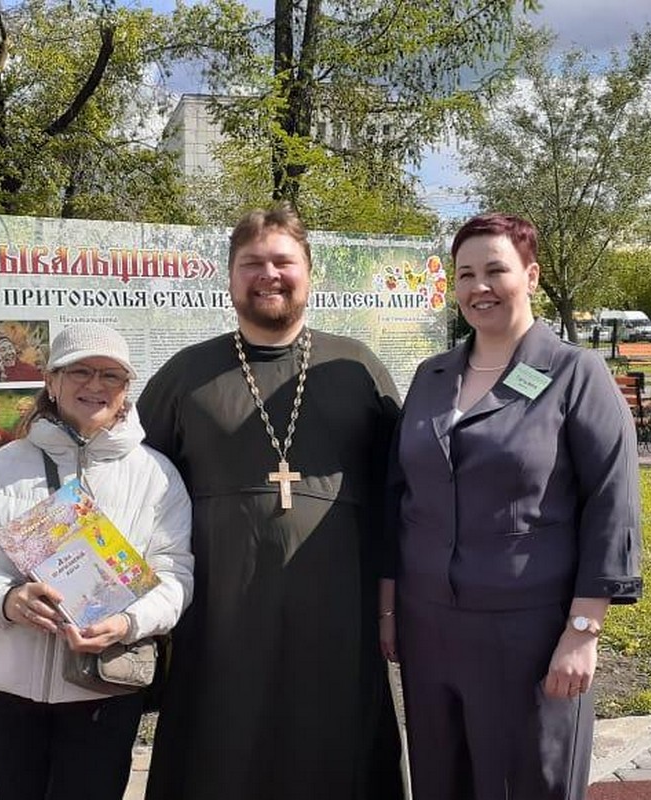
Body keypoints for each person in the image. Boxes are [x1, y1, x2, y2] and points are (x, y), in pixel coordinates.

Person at [139, 206, 403, 800]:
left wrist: (395, 597)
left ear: (309, 271)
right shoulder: (187, 374)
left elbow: (403, 490)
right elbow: (137, 483)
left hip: (339, 611)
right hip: (221, 617)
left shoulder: (355, 366)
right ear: (229, 276)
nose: (269, 274)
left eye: (283, 260)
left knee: (334, 741)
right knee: (223, 746)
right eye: (251, 263)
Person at [383, 213, 643, 800]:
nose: (480, 287)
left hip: (528, 630)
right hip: (430, 628)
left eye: (496, 270)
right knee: (440, 779)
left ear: (530, 274)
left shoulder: (576, 374)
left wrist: (583, 630)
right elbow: (399, 491)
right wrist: (390, 605)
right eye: (466, 274)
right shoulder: (432, 375)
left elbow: (613, 501)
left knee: (525, 781)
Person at [0, 322, 194, 800]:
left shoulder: (156, 477)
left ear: (126, 389)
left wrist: (129, 621)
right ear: (51, 383)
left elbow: (175, 576)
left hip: (103, 693)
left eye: (110, 375)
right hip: (3, 694)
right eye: (80, 372)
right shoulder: (1, 467)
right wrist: (6, 600)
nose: (95, 385)